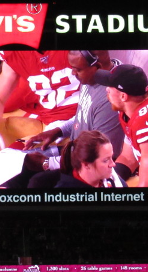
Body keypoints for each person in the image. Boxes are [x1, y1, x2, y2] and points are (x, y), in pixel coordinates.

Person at [21, 50, 125, 188]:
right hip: (73, 150)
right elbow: (83, 115)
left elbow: (100, 155)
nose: (73, 73)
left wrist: (48, 163)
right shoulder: (91, 77)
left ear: (98, 67)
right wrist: (58, 131)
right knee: (16, 160)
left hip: (88, 165)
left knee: (36, 181)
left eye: (77, 70)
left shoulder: (111, 98)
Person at [0, 50, 81, 161]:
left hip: (83, 119)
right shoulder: (15, 51)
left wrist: (66, 127)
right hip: (48, 121)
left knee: (22, 161)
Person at [55, 130, 124, 188]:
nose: (113, 164)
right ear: (86, 164)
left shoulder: (115, 181)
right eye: (106, 160)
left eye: (111, 157)